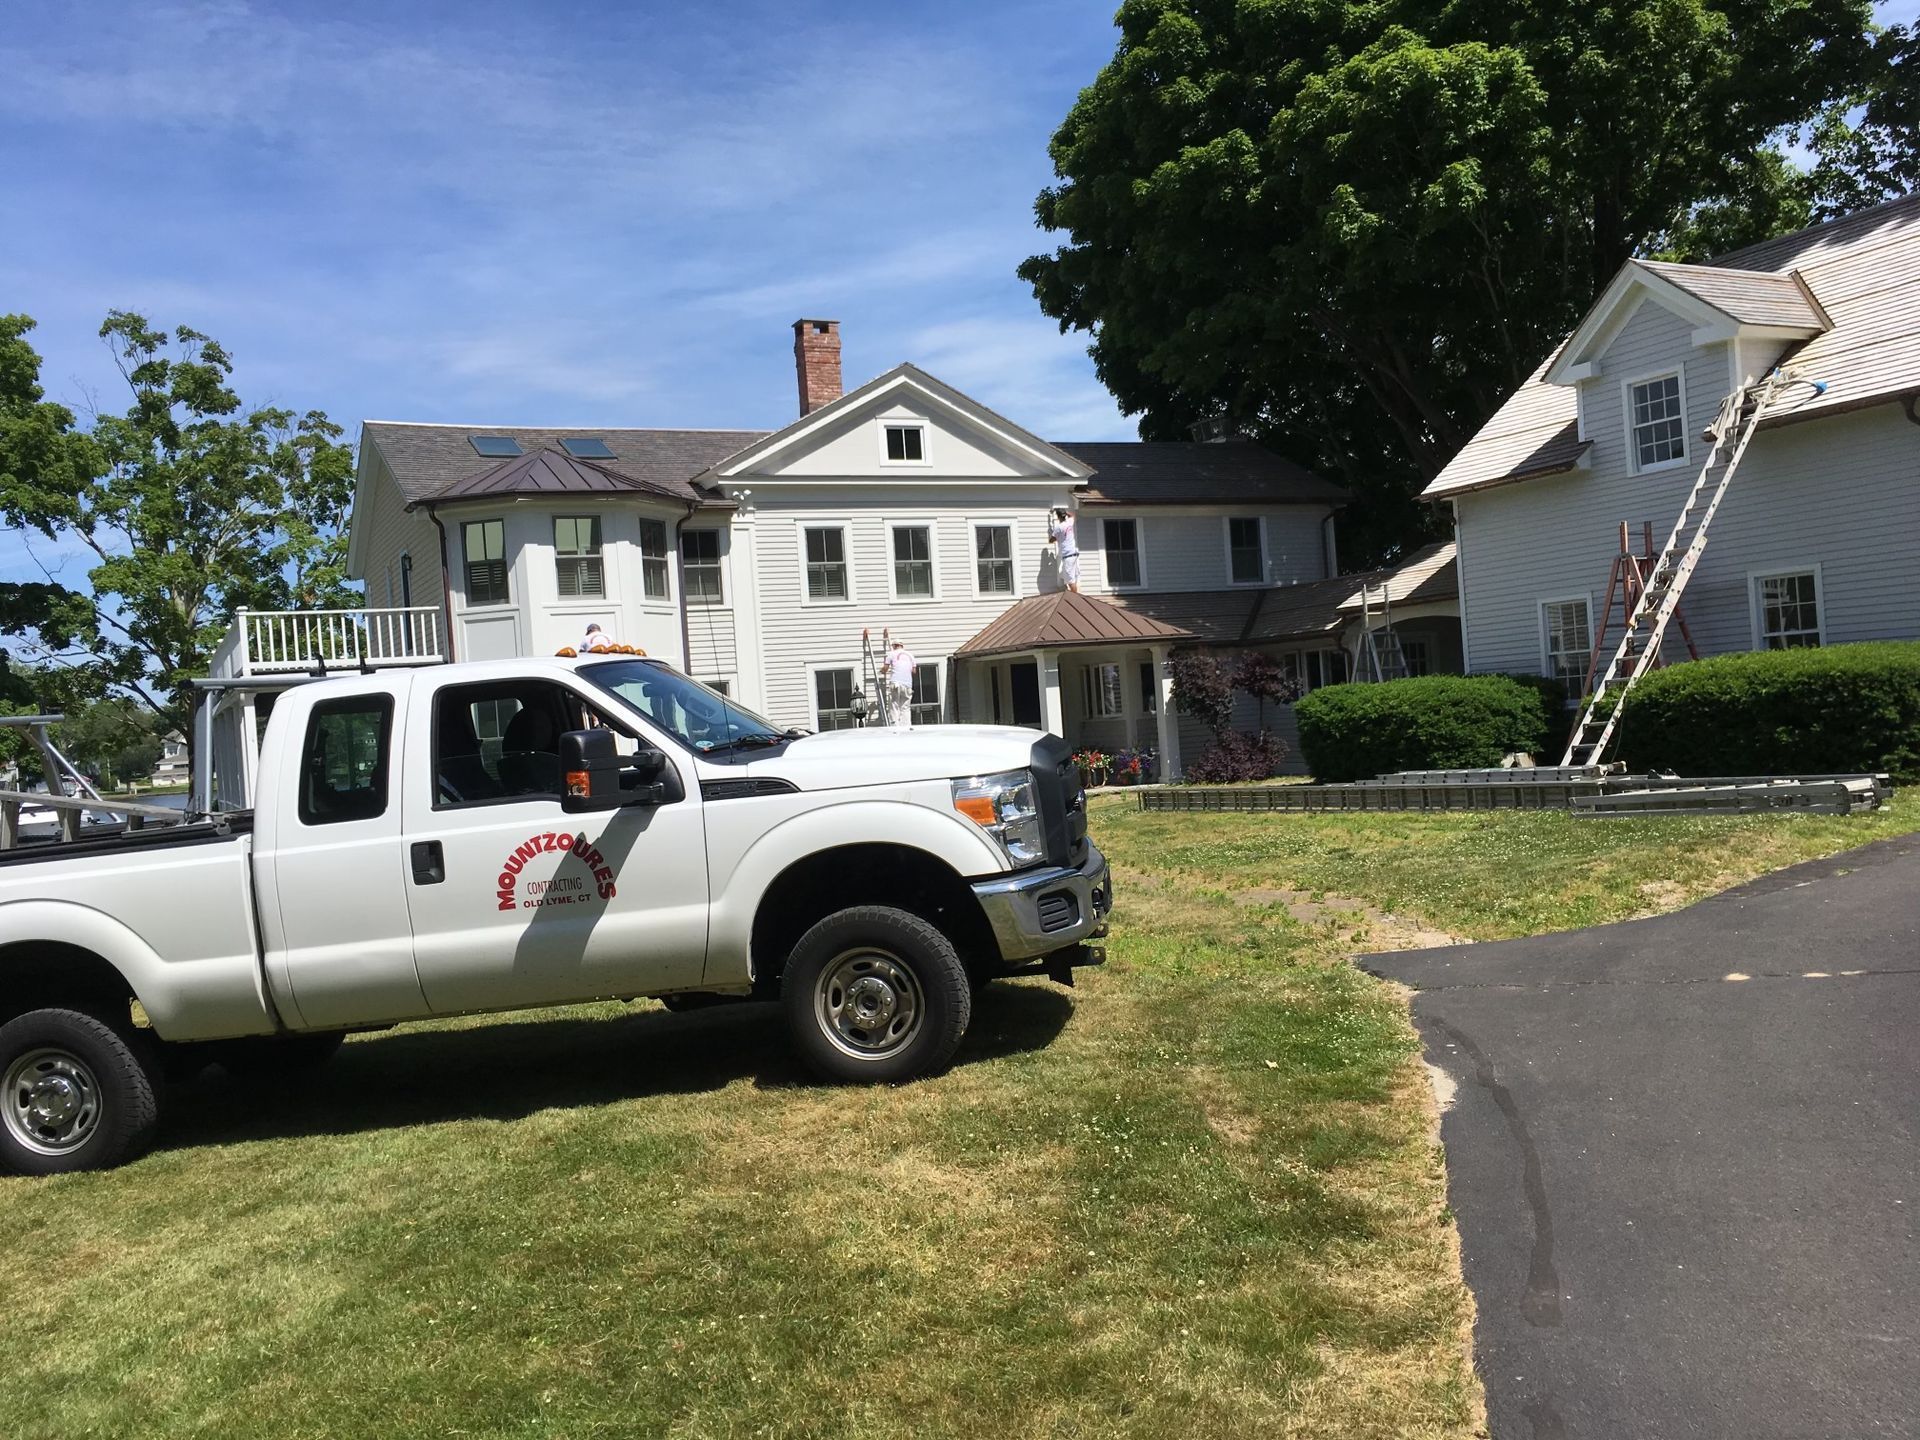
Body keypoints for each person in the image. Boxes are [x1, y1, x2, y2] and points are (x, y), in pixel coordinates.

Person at [882, 639, 918, 729]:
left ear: (894, 646)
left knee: (894, 705)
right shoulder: (910, 655)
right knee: (905, 707)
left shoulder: (891, 654)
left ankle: (895, 727)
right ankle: (906, 727)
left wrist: (881, 672)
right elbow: (914, 671)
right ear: (902, 646)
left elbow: (885, 669)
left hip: (896, 682)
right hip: (907, 685)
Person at [1049, 507, 1080, 592]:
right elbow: (1073, 515)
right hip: (1074, 555)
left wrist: (1055, 536)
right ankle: (1070, 593)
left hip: (1068, 557)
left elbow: (1051, 540)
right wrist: (1065, 512)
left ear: (1058, 517)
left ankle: (1076, 599)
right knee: (1065, 575)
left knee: (1070, 581)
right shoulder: (1069, 522)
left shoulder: (1058, 528)